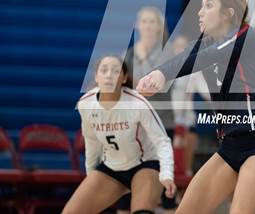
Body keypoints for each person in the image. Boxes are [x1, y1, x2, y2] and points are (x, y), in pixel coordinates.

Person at [137, 0, 255, 214]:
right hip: (230, 146)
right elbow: (187, 55)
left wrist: (161, 74)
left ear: (228, 14)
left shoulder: (244, 36)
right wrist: (155, 74)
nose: (199, 12)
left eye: (209, 5)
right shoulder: (208, 42)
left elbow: (205, 58)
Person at [63, 55, 176, 214]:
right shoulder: (85, 104)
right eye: (104, 70)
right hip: (112, 168)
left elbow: (162, 142)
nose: (109, 75)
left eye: (115, 71)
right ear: (96, 77)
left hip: (145, 164)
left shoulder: (137, 103)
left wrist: (167, 175)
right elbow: (92, 143)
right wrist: (91, 178)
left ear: (123, 78)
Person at [123, 7, 177, 213]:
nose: (147, 25)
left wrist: (136, 84)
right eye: (144, 21)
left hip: (162, 122)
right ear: (137, 25)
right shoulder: (129, 53)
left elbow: (160, 86)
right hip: (136, 125)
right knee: (131, 177)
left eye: (152, 21)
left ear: (159, 26)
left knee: (165, 179)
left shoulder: (168, 52)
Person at [171, 35, 210, 176]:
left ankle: (185, 179)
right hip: (167, 120)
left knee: (183, 162)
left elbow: (207, 93)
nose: (181, 51)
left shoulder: (194, 72)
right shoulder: (165, 70)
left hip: (185, 120)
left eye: (185, 48)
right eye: (178, 47)